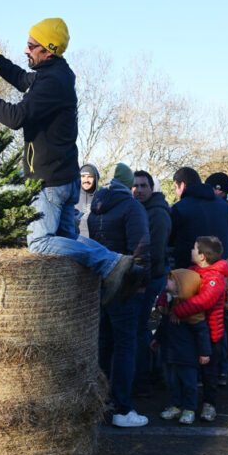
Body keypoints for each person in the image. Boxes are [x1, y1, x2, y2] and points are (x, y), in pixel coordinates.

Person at [0, 19, 140, 305]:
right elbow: (21, 79)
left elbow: (15, 117)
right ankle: (112, 265)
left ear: (48, 50)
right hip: (63, 176)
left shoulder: (52, 81)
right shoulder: (55, 74)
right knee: (66, 239)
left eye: (31, 46)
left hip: (49, 181)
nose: (26, 50)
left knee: (40, 243)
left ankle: (110, 263)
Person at [87, 178, 150, 427]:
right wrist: (141, 283)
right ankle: (123, 409)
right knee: (125, 346)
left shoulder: (95, 209)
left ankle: (101, 402)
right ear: (127, 186)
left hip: (101, 283)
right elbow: (141, 249)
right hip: (125, 285)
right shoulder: (132, 208)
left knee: (104, 343)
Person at [163, 236, 228, 422]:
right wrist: (164, 302)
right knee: (188, 369)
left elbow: (204, 301)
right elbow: (173, 287)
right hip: (191, 331)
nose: (191, 251)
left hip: (210, 332)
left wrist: (178, 311)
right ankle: (184, 404)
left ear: (203, 256)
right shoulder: (192, 271)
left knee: (209, 371)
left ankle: (209, 404)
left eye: (194, 248)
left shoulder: (216, 277)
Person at [122, 166, 170, 392]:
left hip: (150, 278)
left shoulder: (157, 213)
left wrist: (141, 283)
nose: (138, 190)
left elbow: (156, 251)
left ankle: (144, 379)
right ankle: (148, 374)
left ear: (152, 188)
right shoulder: (137, 209)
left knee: (141, 328)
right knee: (139, 327)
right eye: (135, 185)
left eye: (143, 186)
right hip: (141, 276)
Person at [152, 258, 212, 425]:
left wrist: (204, 353)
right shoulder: (170, 305)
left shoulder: (192, 312)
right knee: (172, 382)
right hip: (170, 354)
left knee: (189, 383)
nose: (167, 283)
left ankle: (189, 408)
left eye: (171, 281)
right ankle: (176, 405)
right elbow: (163, 325)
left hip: (187, 357)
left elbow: (202, 333)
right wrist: (157, 339)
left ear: (183, 286)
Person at [168, 167, 228, 268]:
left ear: (182, 185)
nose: (176, 192)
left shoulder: (180, 207)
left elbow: (170, 239)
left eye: (176, 187)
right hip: (219, 269)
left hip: (191, 271)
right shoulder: (223, 206)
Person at [76, 163, 99, 238]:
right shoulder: (72, 198)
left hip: (96, 245)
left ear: (95, 179)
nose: (86, 180)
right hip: (76, 244)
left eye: (90, 177)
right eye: (83, 176)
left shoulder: (101, 198)